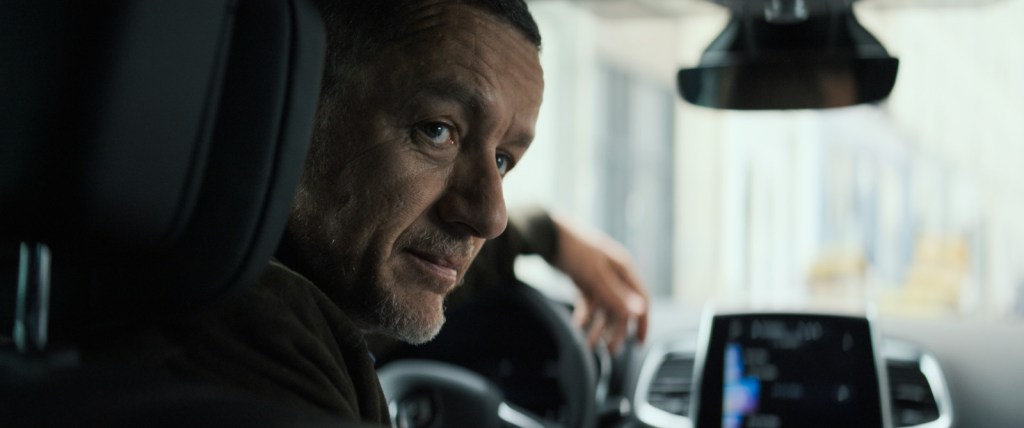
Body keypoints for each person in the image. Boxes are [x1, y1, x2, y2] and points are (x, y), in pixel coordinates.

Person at [88, 1, 647, 425]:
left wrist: (545, 233)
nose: (489, 215)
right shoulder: (255, 339)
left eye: (502, 160)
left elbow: (393, 255)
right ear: (294, 109)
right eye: (437, 131)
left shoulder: (214, 278)